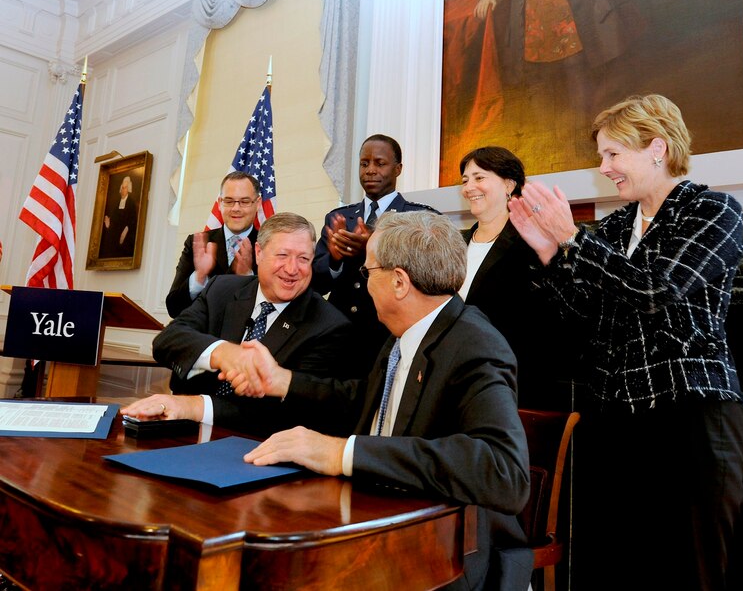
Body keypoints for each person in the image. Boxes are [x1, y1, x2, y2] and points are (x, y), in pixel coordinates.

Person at [139, 212, 533, 590]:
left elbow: (504, 473)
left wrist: (343, 452)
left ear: (398, 282)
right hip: (384, 519)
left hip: (446, 556)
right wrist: (283, 381)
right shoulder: (404, 334)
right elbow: (363, 400)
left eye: (368, 271)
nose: (363, 281)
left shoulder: (475, 345)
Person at [509, 94, 743, 591]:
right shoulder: (616, 227)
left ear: (657, 148)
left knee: (692, 566)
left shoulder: (712, 209)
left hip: (691, 411)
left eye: (613, 154)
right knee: (624, 560)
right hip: (616, 414)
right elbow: (580, 320)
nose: (604, 167)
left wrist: (574, 238)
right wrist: (550, 253)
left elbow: (657, 291)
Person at [127, 213, 356, 437]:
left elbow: (287, 415)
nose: (292, 269)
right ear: (259, 253)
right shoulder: (222, 289)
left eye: (303, 259)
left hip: (253, 448)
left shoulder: (329, 325)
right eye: (282, 255)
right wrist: (223, 353)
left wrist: (195, 407)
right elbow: (167, 340)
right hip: (177, 431)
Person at [311, 134, 438, 374]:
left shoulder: (418, 218)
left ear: (398, 169)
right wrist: (336, 258)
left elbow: (429, 278)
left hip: (390, 338)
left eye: (380, 163)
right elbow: (316, 283)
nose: (370, 170)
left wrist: (376, 245)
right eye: (364, 163)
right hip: (339, 339)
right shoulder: (339, 218)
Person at [457, 146, 569, 409]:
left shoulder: (533, 241)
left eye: (479, 177)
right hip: (459, 378)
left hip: (512, 384)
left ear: (509, 184)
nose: (468, 187)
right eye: (465, 180)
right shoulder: (456, 244)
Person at [165, 171, 261, 318]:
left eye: (245, 201)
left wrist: (248, 278)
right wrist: (199, 278)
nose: (236, 208)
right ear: (219, 203)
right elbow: (173, 308)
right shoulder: (198, 243)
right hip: (203, 338)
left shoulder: (268, 245)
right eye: (229, 201)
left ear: (258, 203)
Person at [99, 175, 138, 258]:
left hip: (126, 234)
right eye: (122, 188)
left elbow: (132, 221)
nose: (123, 190)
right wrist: (108, 224)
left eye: (125, 188)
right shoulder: (116, 203)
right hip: (115, 233)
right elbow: (112, 219)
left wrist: (125, 232)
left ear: (128, 189)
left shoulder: (131, 203)